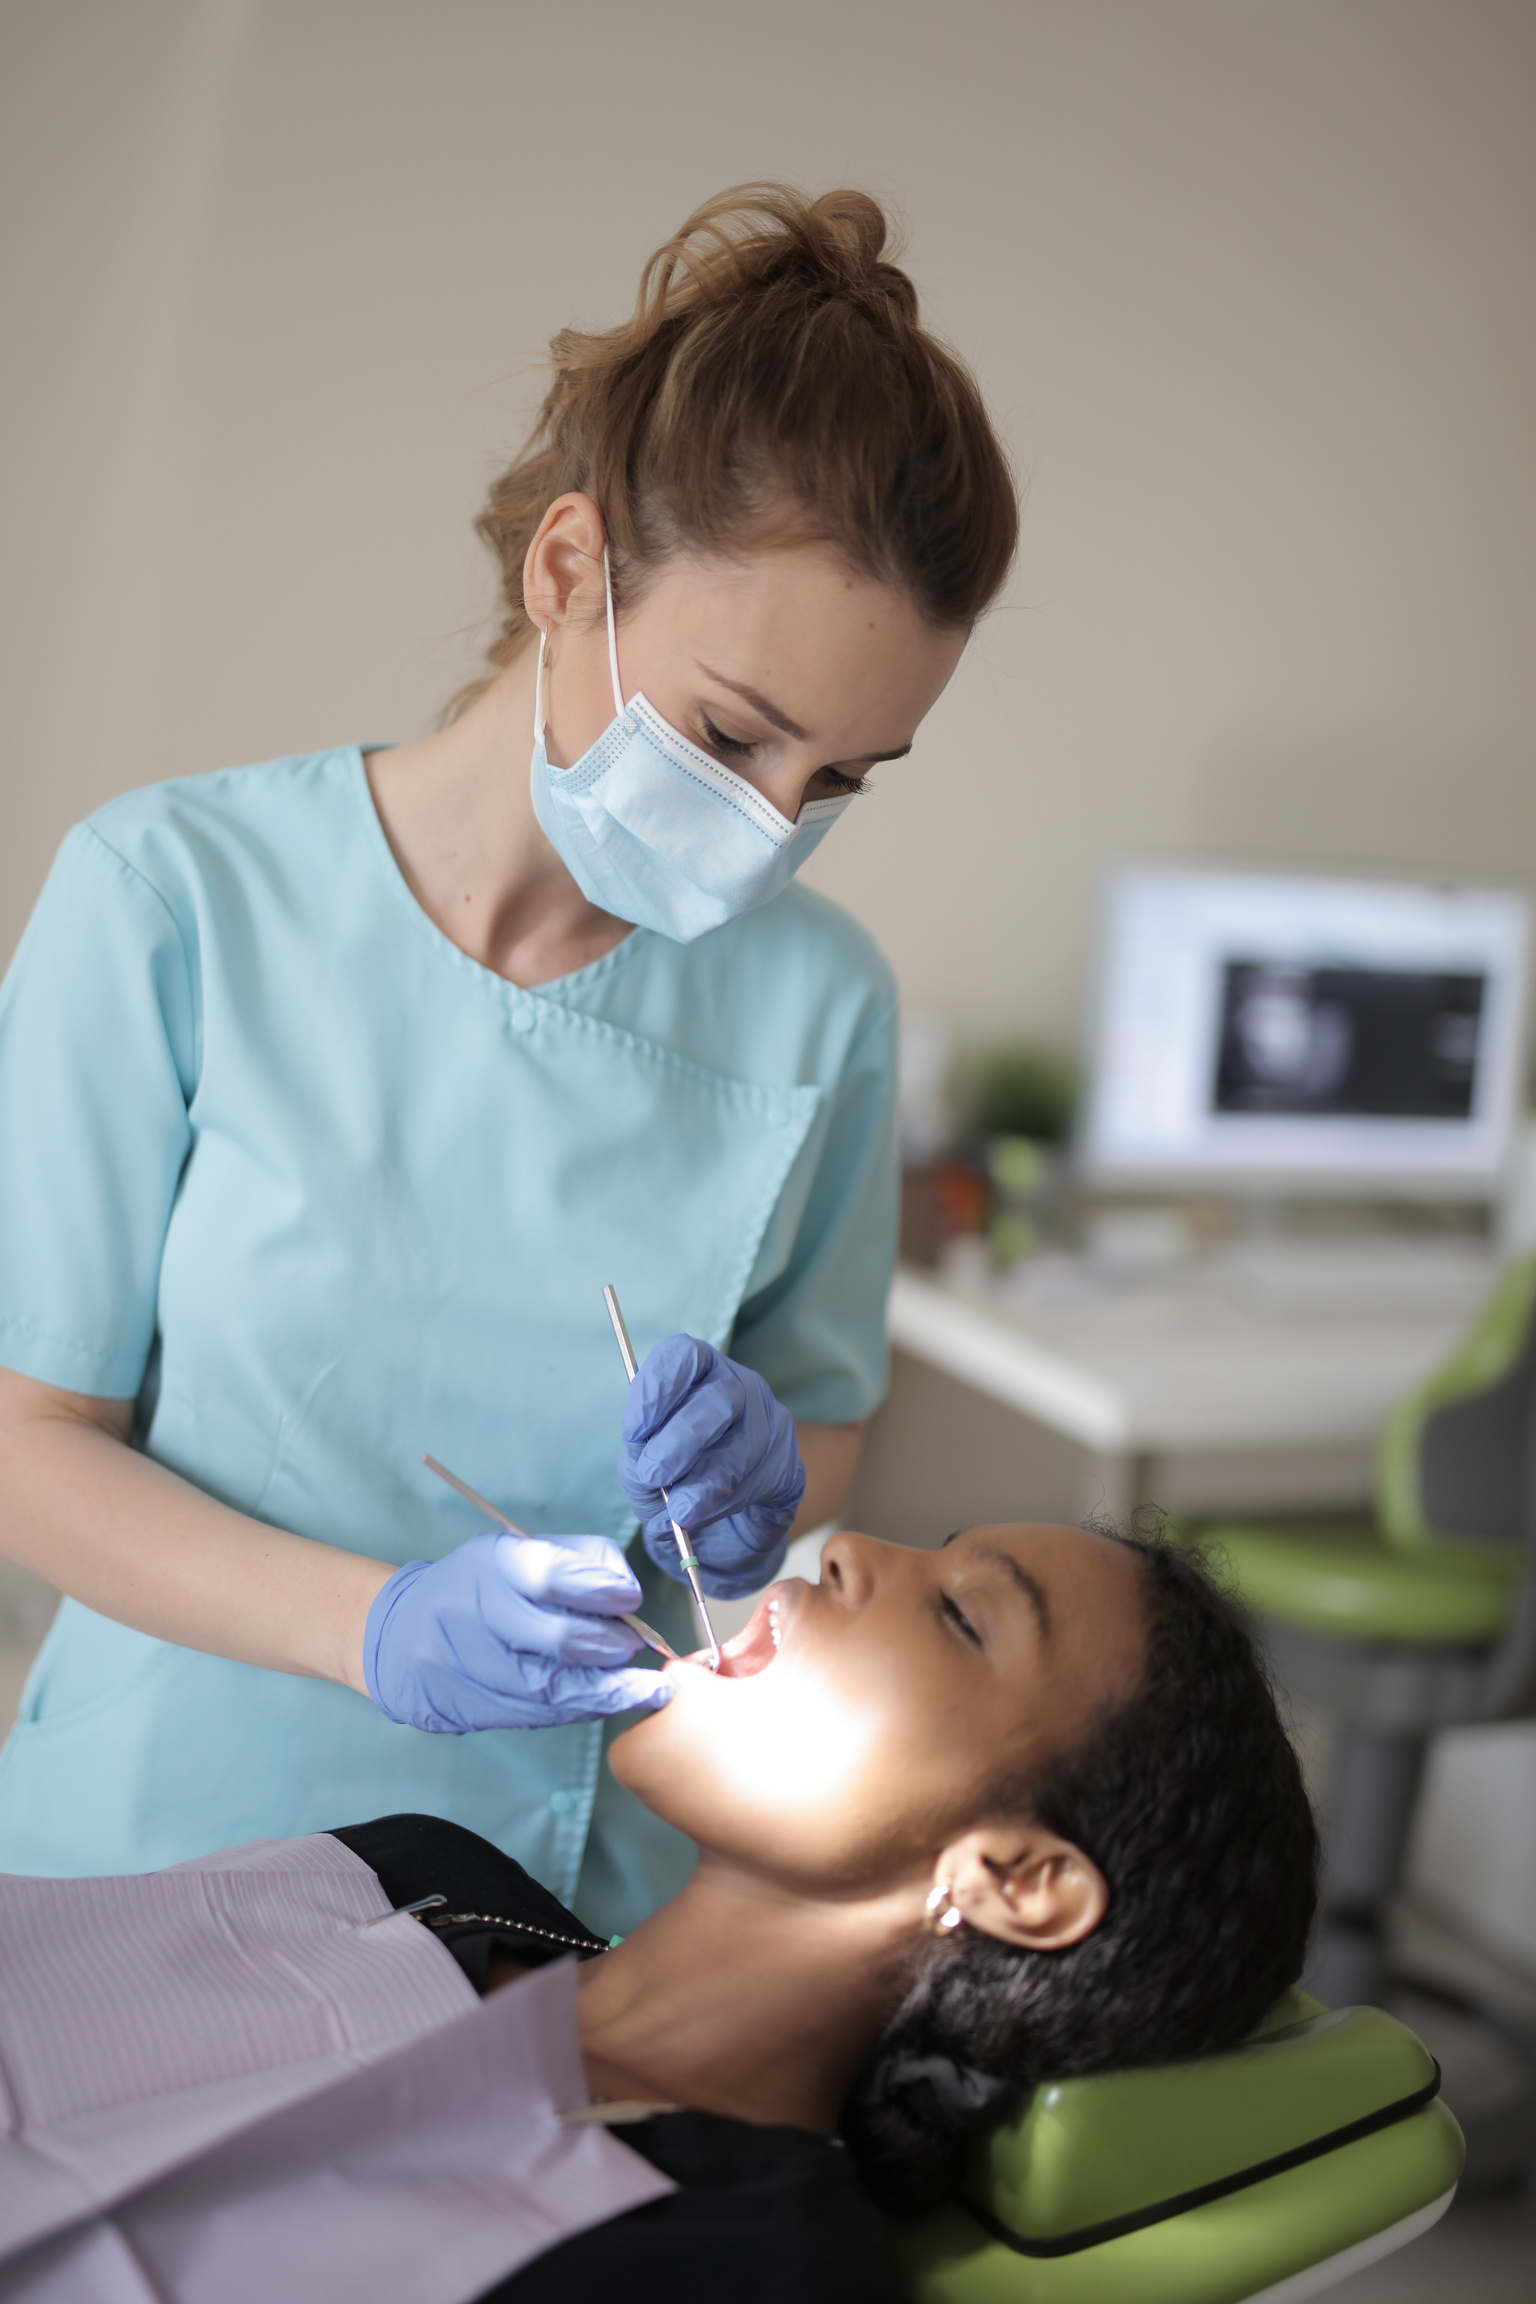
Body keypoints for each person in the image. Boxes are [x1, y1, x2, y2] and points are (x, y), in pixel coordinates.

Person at [0, 184, 1018, 1929]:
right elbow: (27, 1439)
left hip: (562, 1905)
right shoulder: (172, 896)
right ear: (570, 572)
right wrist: (372, 1629)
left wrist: (766, 1484)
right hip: (146, 1858)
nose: (775, 828)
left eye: (841, 779)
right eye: (734, 734)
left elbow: (824, 1439)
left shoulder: (822, 1002)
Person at [0, 1524, 1319, 2304]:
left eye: (966, 1617)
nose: (851, 1546)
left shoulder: (753, 2264)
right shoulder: (416, 1870)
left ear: (1016, 1883)